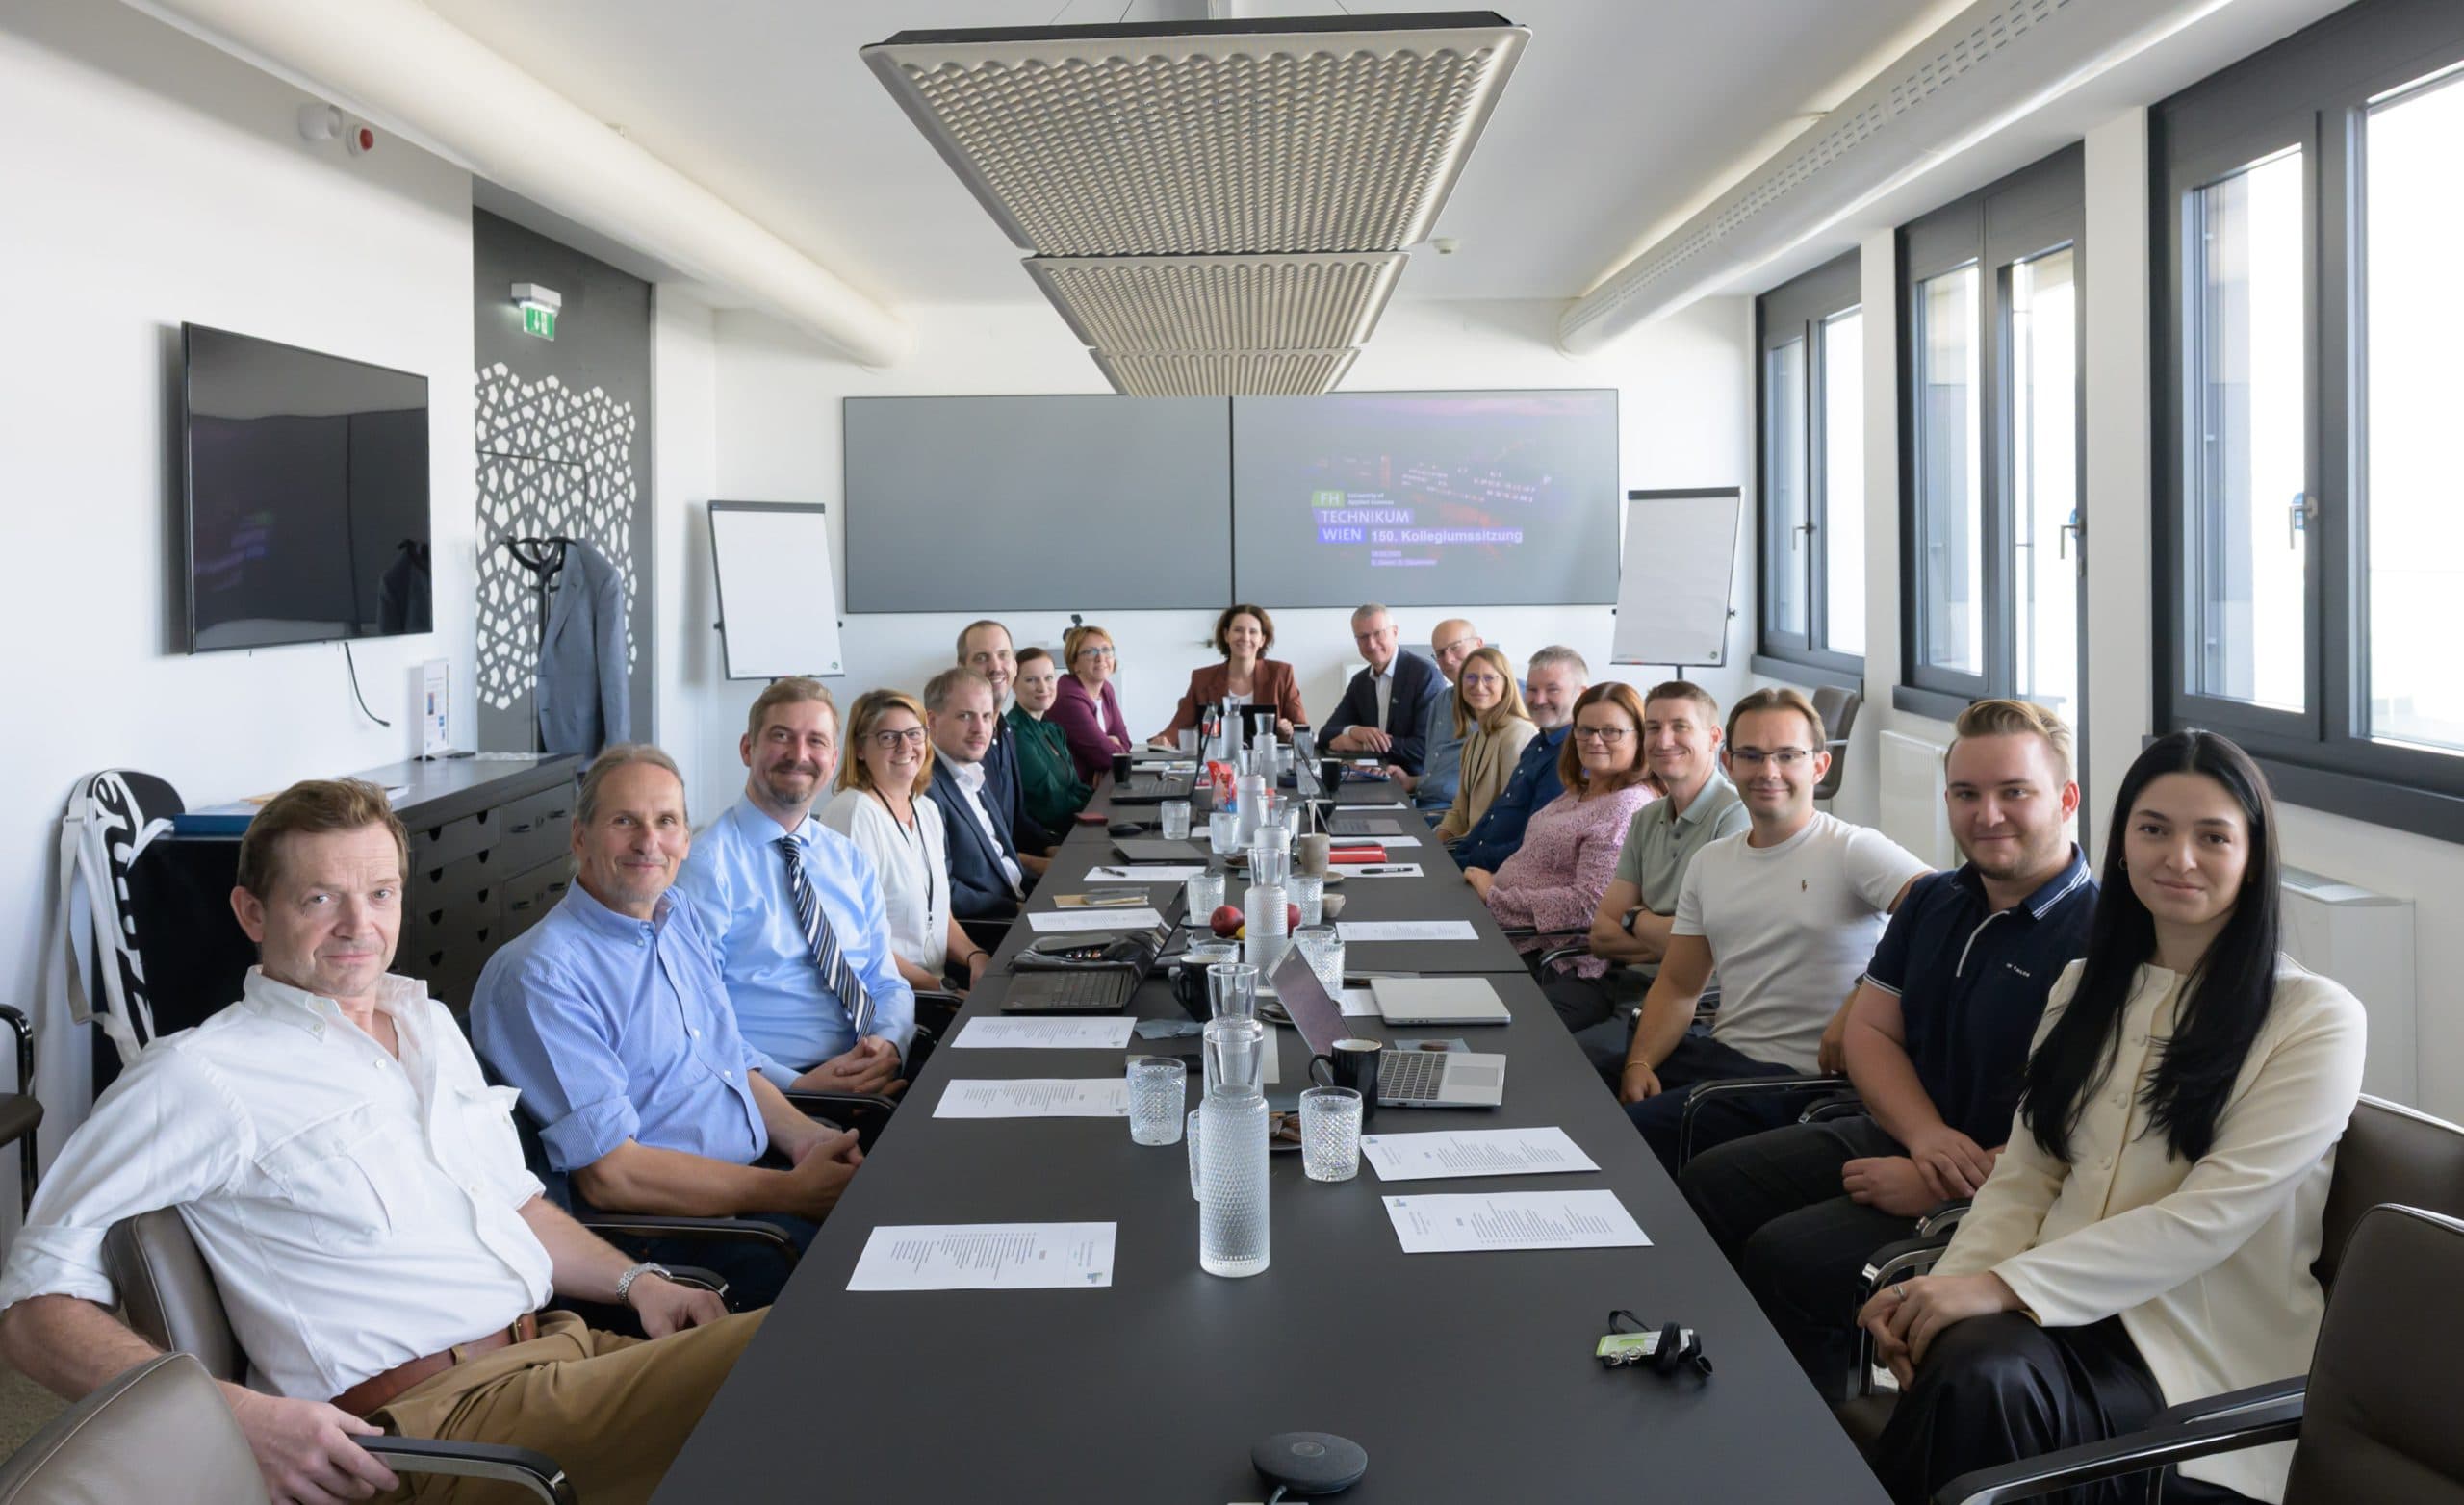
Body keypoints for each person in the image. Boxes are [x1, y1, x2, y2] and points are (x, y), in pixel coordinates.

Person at [0, 778, 757, 1505]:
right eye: (321, 897)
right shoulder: (200, 1076)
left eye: (381, 893)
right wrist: (231, 1417)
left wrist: (639, 1285)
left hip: (562, 1351)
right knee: (808, 1356)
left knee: (807, 1424)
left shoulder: (427, 1026)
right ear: (252, 912)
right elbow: (31, 1306)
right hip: (440, 1435)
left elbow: (512, 1201)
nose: (359, 925)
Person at [1862, 730, 2365, 1505]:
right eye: (2154, 828)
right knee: (1965, 1360)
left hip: (2200, 1366)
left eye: (2213, 836)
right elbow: (2026, 1179)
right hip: (2050, 1324)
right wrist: (1947, 1289)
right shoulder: (2082, 987)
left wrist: (1999, 1287)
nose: (2179, 857)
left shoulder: (2314, 1017)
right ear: (2122, 844)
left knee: (1984, 1380)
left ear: (2255, 856)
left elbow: (2211, 1217)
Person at [1678, 700, 2094, 1395]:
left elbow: (2089, 1134)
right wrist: (1924, 1135)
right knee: (1708, 1186)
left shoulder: (2101, 939)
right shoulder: (1937, 900)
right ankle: (1712, 1383)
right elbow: (1870, 1031)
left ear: (2067, 799)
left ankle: (1803, 1435)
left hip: (2000, 1186)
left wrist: (1942, 1177)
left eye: (2013, 792)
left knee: (1788, 1258)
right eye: (1966, 794)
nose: (1986, 814)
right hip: (1903, 1133)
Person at [475, 747, 874, 1309]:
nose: (648, 842)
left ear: (687, 839)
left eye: (666, 822)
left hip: (759, 1185)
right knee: (867, 1292)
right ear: (580, 837)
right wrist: (790, 1192)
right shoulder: (538, 974)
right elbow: (612, 1177)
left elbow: (728, 1060)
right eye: (624, 821)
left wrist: (808, 1139)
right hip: (677, 1235)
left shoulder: (676, 913)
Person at [1617, 687, 1930, 1169]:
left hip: (1796, 1083)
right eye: (1752, 756)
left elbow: (1942, 911)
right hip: (1722, 1059)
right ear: (1728, 762)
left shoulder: (1852, 850)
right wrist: (1640, 1062)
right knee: (1580, 1084)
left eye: (1788, 756)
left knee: (1621, 1139)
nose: (1768, 772)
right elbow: (1679, 985)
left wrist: (1863, 997)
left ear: (1819, 766)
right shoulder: (1711, 861)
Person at [670, 678, 915, 1097]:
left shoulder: (849, 859)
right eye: (781, 737)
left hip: (875, 1073)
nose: (799, 756)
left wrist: (889, 1044)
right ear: (748, 749)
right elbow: (697, 1018)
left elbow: (885, 980)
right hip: (772, 1091)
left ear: (834, 758)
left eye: (816, 741)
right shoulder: (706, 866)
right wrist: (798, 1086)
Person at [1541, 680, 1750, 1076]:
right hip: (1616, 981)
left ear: (1714, 737)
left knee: (1562, 1069)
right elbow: (1601, 935)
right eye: (1653, 727)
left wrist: (1634, 919)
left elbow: (1710, 947)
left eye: (1680, 726)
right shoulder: (1647, 817)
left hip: (1683, 1003)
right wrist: (1669, 937)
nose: (1663, 739)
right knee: (1520, 1033)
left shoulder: (1735, 817)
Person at [1466, 682, 1657, 974]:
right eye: (1585, 730)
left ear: (1640, 739)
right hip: (1503, 929)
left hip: (1548, 957)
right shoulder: (1579, 792)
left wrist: (1495, 896)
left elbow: (1589, 906)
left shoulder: (1626, 805)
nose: (1595, 740)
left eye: (1611, 731)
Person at [820, 689, 994, 996]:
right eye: (889, 737)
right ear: (860, 748)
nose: (906, 747)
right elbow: (855, 939)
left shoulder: (925, 809)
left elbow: (938, 915)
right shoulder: (853, 812)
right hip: (889, 995)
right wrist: (939, 989)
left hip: (936, 987)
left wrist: (976, 956)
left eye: (914, 734)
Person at [1449, 646, 1588, 872]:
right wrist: (1461, 853)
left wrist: (1466, 861)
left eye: (1552, 690)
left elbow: (1533, 845)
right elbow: (1496, 813)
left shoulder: (1570, 756)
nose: (1539, 699)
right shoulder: (1537, 744)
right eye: (1533, 689)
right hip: (1478, 861)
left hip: (1500, 876)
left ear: (1581, 694)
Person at [921, 667, 1037, 921]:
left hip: (1024, 899)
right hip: (993, 927)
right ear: (931, 721)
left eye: (986, 716)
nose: (980, 728)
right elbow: (944, 891)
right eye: (965, 716)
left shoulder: (975, 771)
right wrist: (1017, 911)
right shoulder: (925, 790)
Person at [957, 619, 1058, 858]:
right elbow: (977, 849)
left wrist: (1054, 849)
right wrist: (1039, 866)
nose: (995, 667)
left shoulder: (1006, 731)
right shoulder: (962, 745)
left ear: (1014, 664)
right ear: (961, 668)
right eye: (982, 658)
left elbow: (1017, 820)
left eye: (1003, 655)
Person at [1149, 603, 1306, 749]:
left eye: (1253, 632)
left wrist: (1288, 731)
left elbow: (1302, 730)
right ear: (1226, 635)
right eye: (1238, 630)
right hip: (1217, 765)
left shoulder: (1281, 674)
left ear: (1262, 640)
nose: (1245, 637)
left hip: (1268, 764)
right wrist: (1164, 739)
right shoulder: (1202, 678)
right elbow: (1179, 726)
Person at [1321, 602, 1446, 775]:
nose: (1371, 644)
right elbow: (1326, 734)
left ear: (1394, 632)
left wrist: (1361, 745)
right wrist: (1355, 731)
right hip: (1370, 777)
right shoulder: (1361, 681)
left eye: (1378, 634)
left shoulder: (1425, 675)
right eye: (1363, 637)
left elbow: (1424, 747)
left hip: (1412, 784)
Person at [1429, 645, 1537, 843]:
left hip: (1489, 855)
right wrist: (1438, 842)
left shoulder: (1518, 735)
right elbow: (1460, 811)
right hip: (1467, 846)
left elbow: (1510, 817)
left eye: (1489, 678)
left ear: (1506, 684)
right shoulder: (1474, 740)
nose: (1478, 686)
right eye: (1470, 678)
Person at [1380, 618, 1485, 811]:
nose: (1448, 659)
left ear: (1479, 645)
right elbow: (1443, 770)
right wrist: (1412, 781)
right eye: (1440, 654)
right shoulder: (1441, 701)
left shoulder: (1510, 700)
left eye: (1455, 648)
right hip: (1425, 804)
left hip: (1456, 815)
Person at [1004, 647, 1094, 837]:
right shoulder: (1016, 732)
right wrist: (1098, 809)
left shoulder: (1053, 730)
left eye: (1049, 678)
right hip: (1048, 839)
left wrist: (1103, 801)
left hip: (1074, 826)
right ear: (1013, 684)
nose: (1043, 687)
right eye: (1031, 680)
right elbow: (1050, 801)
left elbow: (1075, 787)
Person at [1050, 623, 1134, 783]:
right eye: (1090, 652)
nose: (1101, 657)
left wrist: (1112, 750)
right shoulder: (1068, 696)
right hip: (1074, 793)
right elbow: (1108, 758)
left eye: (1106, 649)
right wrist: (1110, 747)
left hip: (1098, 786)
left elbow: (1125, 743)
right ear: (1074, 663)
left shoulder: (1106, 689)